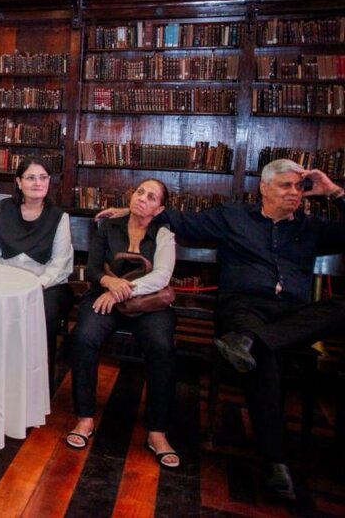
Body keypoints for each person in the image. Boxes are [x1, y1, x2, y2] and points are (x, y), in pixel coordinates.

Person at [98, 159, 345, 499]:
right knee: (263, 359)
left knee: (332, 311)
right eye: (285, 185)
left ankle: (251, 342)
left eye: (299, 187)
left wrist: (334, 191)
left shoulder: (311, 227)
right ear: (264, 188)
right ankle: (276, 461)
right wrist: (129, 210)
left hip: (292, 314)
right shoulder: (233, 217)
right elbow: (175, 218)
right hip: (243, 309)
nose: (294, 193)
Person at [69, 178, 179, 468]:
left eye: (151, 197)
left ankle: (157, 431)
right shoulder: (109, 226)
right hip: (104, 295)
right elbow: (93, 268)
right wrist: (109, 283)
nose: (142, 198)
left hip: (147, 304)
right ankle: (84, 418)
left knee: (161, 346)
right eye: (140, 192)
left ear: (160, 209)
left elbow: (161, 277)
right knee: (83, 337)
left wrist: (121, 290)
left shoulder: (164, 234)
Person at [0, 158, 73, 387]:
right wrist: (3, 281)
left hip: (46, 285)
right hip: (3, 280)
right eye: (30, 178)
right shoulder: (2, 209)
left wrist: (35, 286)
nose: (38, 183)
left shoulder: (59, 217)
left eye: (43, 177)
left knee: (42, 314)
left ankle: (37, 382)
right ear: (19, 182)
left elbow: (59, 264)